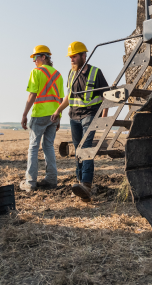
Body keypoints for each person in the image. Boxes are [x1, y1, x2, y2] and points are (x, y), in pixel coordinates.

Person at [51, 41, 108, 202]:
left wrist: (104, 116)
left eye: (74, 56)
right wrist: (58, 110)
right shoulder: (71, 73)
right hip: (74, 117)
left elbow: (106, 96)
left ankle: (86, 184)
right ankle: (80, 184)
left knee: (86, 148)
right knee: (78, 150)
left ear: (84, 55)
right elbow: (69, 96)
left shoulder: (96, 72)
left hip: (90, 115)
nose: (72, 59)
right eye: (70, 57)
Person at [19, 45, 64, 194]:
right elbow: (60, 99)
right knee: (48, 146)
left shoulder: (36, 72)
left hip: (40, 115)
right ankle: (51, 180)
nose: (34, 61)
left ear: (44, 57)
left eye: (35, 57)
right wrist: (59, 117)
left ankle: (30, 182)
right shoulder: (58, 75)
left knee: (33, 146)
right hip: (54, 116)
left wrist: (25, 114)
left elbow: (32, 95)